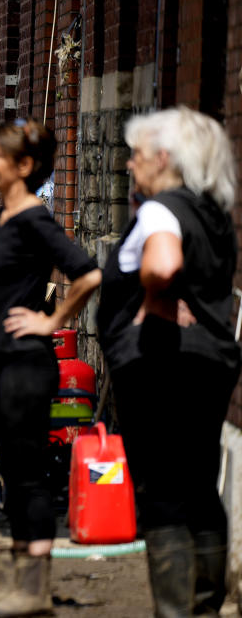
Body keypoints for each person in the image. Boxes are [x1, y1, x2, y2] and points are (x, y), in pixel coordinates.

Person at [96, 107, 240, 617]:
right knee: (200, 487)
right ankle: (203, 608)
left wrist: (155, 300)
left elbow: (161, 264)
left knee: (162, 492)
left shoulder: (161, 211)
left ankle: (176, 613)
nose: (130, 167)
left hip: (159, 364)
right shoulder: (213, 213)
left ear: (163, 158)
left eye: (136, 156)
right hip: (211, 359)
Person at [0, 118, 101, 617]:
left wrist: (53, 321)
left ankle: (35, 590)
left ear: (23, 165)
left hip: (26, 366)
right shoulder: (6, 214)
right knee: (11, 470)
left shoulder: (35, 220)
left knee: (29, 475)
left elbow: (87, 273)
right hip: (2, 363)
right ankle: (13, 580)